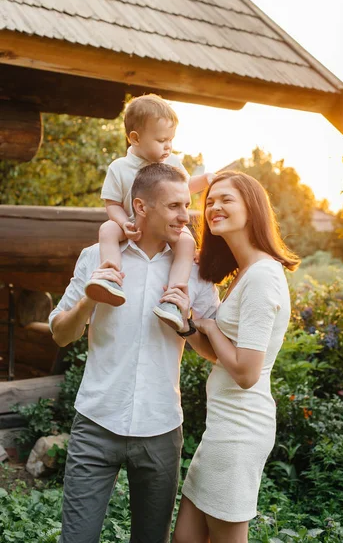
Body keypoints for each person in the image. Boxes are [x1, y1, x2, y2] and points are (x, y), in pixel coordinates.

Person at [49, 163, 220, 543]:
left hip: (160, 429)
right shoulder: (97, 256)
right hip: (96, 423)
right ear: (141, 207)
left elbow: (216, 353)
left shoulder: (193, 271)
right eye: (174, 206)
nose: (185, 215)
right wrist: (87, 304)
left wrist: (187, 326)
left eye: (187, 205)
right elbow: (61, 334)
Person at [165, 171, 300, 543]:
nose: (213, 206)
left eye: (226, 199)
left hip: (241, 429)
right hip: (222, 425)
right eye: (209, 201)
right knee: (187, 538)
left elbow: (246, 372)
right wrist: (190, 327)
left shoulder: (262, 277)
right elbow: (220, 357)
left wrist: (209, 327)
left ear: (252, 208)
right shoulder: (244, 273)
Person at [85, 93, 214, 331]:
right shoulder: (120, 167)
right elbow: (112, 203)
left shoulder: (172, 162)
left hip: (165, 229)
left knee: (186, 243)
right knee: (107, 229)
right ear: (135, 138)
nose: (168, 146)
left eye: (171, 140)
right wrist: (124, 223)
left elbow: (185, 188)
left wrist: (205, 180)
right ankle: (110, 276)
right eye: (162, 140)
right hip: (131, 225)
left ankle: (173, 298)